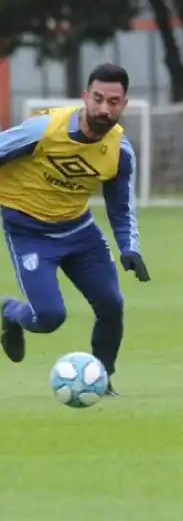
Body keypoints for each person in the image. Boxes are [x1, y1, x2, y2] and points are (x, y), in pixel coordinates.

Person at [0, 63, 150, 394]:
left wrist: (130, 247)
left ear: (124, 104)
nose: (103, 108)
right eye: (97, 98)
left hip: (79, 232)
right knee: (50, 317)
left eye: (113, 101)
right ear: (85, 97)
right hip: (28, 232)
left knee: (111, 305)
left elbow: (121, 206)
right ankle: (10, 312)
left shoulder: (119, 152)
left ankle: (103, 379)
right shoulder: (43, 130)